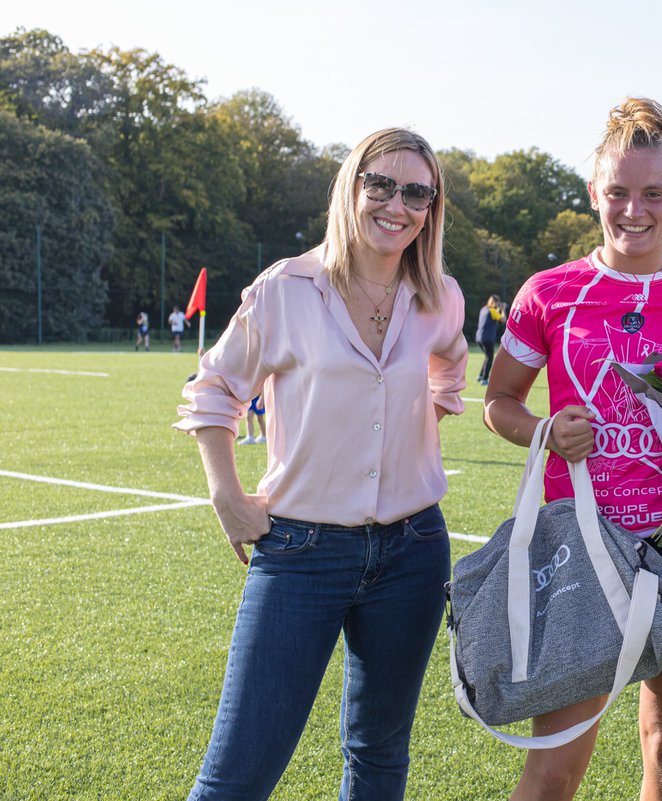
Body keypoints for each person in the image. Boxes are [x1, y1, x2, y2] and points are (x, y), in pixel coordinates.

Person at [174, 127, 467, 801]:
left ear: (431, 208)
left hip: (415, 550)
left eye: (417, 191)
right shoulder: (288, 288)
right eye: (382, 184)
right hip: (301, 550)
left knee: (379, 751)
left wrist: (428, 415)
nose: (398, 204)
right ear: (353, 187)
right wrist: (226, 495)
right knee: (239, 771)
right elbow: (213, 390)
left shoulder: (440, 296)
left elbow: (449, 368)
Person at [483, 97, 662, 801]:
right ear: (593, 195)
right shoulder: (548, 293)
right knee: (556, 760)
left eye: (653, 194)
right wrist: (543, 430)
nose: (635, 210)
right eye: (619, 193)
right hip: (583, 546)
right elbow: (498, 403)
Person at [475, 294, 507, 384]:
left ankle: (481, 376)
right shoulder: (492, 311)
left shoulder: (484, 309)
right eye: (497, 302)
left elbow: (494, 316)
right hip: (487, 338)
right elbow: (503, 319)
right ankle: (485, 379)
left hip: (479, 337)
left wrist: (498, 310)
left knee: (487, 356)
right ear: (495, 302)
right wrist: (503, 310)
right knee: (490, 358)